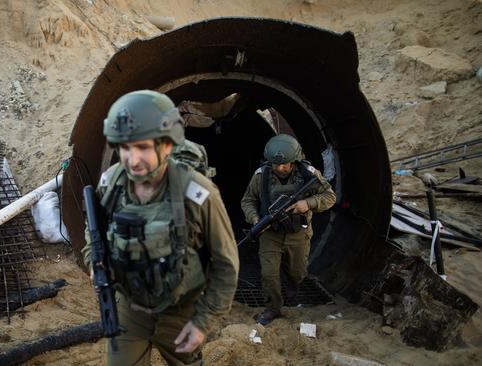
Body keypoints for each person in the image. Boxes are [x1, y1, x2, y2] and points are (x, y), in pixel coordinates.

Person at [82, 90, 239, 365]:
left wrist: (202, 322)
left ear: (167, 144)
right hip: (130, 309)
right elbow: (93, 233)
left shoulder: (198, 192)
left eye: (142, 147)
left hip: (181, 313)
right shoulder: (111, 184)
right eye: (124, 147)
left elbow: (226, 265)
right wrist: (94, 263)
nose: (132, 159)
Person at [240, 134, 336, 325]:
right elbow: (248, 200)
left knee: (297, 272)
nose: (280, 168)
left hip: (298, 233)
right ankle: (273, 308)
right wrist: (256, 219)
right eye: (276, 164)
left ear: (294, 160)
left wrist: (307, 203)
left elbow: (330, 196)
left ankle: (292, 292)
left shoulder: (308, 174)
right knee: (269, 274)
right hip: (270, 234)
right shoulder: (261, 176)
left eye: (285, 164)